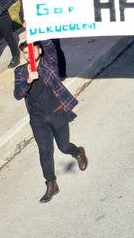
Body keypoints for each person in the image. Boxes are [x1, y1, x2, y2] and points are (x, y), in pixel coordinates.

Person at [13, 40, 88, 203]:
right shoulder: (20, 72)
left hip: (56, 113)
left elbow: (50, 46)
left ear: (39, 51)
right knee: (44, 152)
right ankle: (51, 184)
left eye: (32, 51)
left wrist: (36, 27)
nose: (29, 55)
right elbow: (18, 94)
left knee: (63, 146)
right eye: (26, 53)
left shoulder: (49, 63)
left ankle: (78, 152)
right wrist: (28, 80)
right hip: (37, 118)